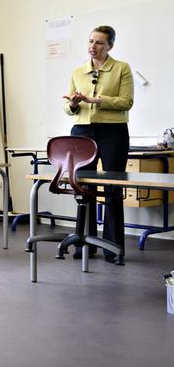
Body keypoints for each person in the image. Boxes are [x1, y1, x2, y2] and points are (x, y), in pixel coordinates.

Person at [62, 25, 134, 265]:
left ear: (110, 46)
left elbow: (127, 102)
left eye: (100, 43)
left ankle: (112, 248)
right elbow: (68, 108)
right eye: (91, 41)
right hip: (82, 131)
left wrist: (96, 100)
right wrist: (73, 104)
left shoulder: (121, 68)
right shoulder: (78, 71)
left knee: (112, 188)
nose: (93, 46)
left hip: (112, 132)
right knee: (83, 188)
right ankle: (85, 244)